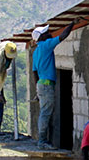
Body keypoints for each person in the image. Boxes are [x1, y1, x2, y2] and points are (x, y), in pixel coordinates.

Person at [31, 20, 75, 149]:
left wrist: (37, 90)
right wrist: (72, 24)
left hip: (41, 84)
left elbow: (34, 72)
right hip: (46, 84)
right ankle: (42, 141)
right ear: (42, 37)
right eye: (46, 33)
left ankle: (43, 140)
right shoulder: (46, 45)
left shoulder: (36, 51)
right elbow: (62, 36)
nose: (49, 34)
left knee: (45, 112)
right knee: (45, 113)